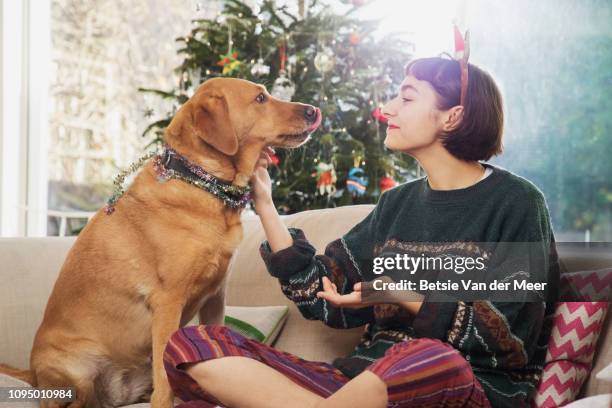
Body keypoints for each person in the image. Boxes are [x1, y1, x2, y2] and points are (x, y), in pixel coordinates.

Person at [162, 56, 559, 408]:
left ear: (450, 117)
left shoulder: (518, 202)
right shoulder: (396, 205)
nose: (387, 109)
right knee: (190, 345)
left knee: (428, 356)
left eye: (406, 98)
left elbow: (510, 340)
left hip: (462, 385)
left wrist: (398, 294)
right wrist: (265, 204)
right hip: (355, 389)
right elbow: (320, 294)